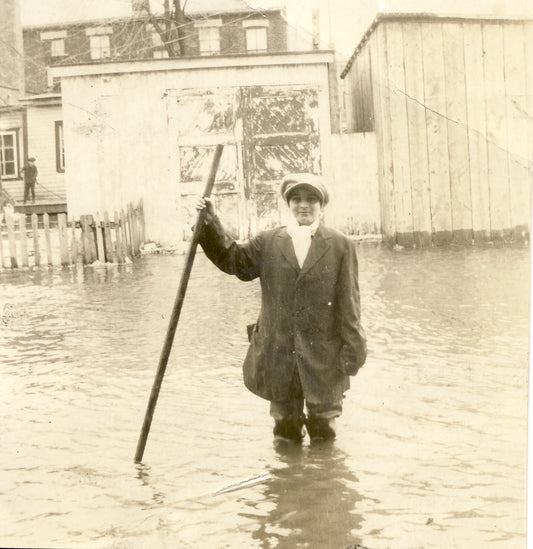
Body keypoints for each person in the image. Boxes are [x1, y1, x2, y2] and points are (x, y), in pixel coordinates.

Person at [195, 173, 367, 443]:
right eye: (296, 199)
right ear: (288, 204)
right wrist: (209, 222)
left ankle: (322, 481)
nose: (304, 205)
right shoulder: (268, 242)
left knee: (325, 431)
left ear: (322, 205)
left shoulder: (340, 245)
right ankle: (288, 479)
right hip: (279, 353)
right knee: (285, 431)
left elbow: (350, 305)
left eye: (311, 199)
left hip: (323, 356)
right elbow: (234, 261)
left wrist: (354, 353)